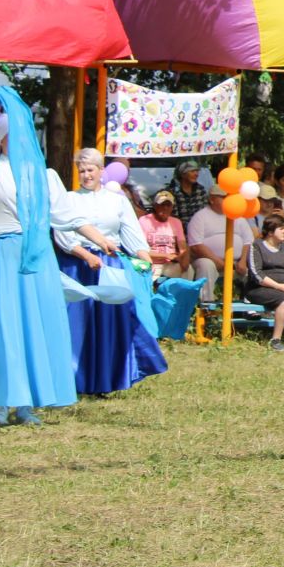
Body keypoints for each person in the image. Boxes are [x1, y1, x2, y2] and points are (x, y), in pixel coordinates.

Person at [0, 85, 78, 425]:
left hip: (35, 256)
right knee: (4, 327)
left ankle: (27, 403)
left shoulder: (41, 176)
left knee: (31, 327)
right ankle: (0, 402)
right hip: (2, 254)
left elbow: (63, 216)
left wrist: (96, 238)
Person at [51, 147, 167, 397]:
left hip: (110, 266)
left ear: (101, 171)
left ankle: (104, 380)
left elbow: (132, 234)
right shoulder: (69, 199)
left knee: (108, 323)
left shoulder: (117, 200)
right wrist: (85, 255)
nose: (86, 175)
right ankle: (74, 379)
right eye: (81, 171)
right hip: (77, 265)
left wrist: (145, 262)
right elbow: (63, 234)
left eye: (90, 170)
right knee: (78, 323)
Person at [244, 214, 284, 349]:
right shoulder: (256, 246)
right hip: (260, 288)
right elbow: (257, 274)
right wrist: (278, 286)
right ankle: (275, 339)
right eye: (281, 228)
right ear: (270, 232)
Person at [186, 185, 251, 302]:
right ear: (212, 199)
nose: (227, 200)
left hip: (237, 262)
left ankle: (250, 306)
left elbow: (248, 241)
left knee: (254, 266)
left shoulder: (237, 215)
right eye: (223, 197)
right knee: (205, 264)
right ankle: (207, 304)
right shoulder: (200, 217)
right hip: (210, 260)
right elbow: (196, 245)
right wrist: (219, 262)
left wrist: (243, 261)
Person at [139, 191, 189, 277]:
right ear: (155, 206)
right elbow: (140, 249)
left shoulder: (176, 222)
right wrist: (166, 255)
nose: (165, 208)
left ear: (172, 207)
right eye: (162, 204)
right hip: (152, 263)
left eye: (168, 205)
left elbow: (183, 246)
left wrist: (184, 261)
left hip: (171, 264)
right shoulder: (144, 220)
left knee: (188, 270)